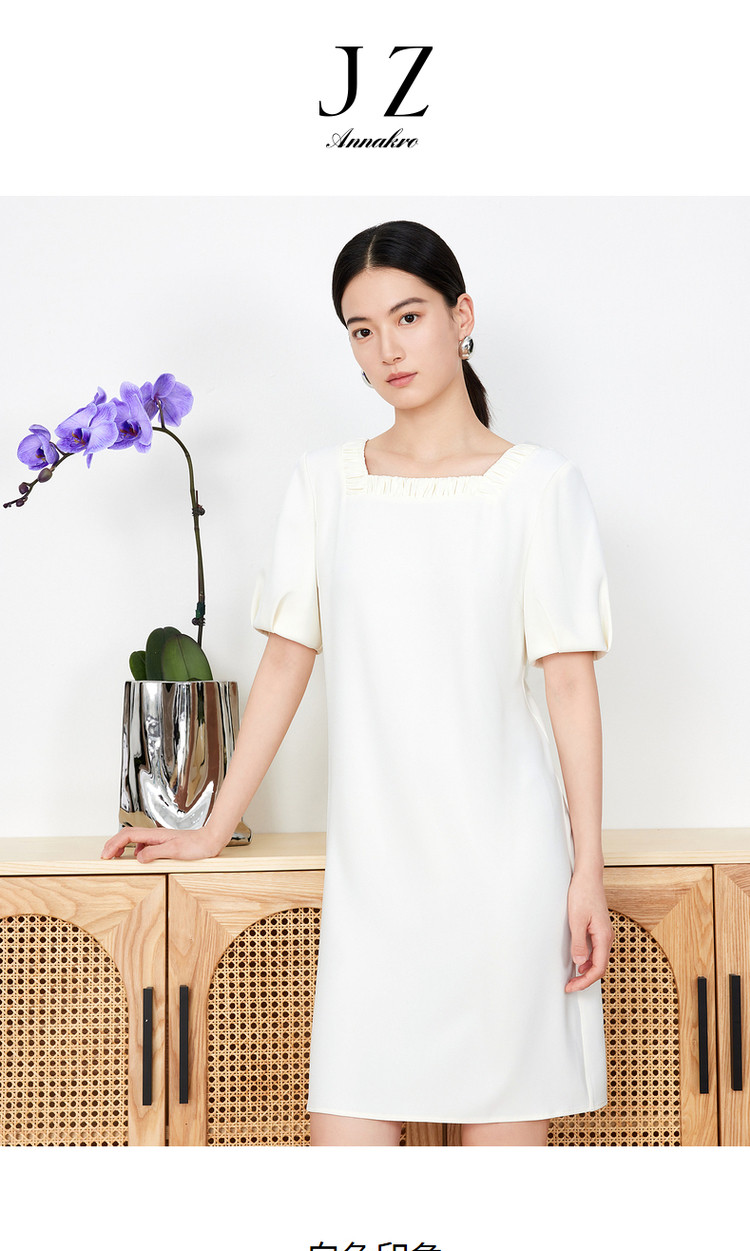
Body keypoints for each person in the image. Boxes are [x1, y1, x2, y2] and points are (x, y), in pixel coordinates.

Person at [101, 219, 614, 1149]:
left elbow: (571, 690)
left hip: (506, 874)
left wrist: (587, 871)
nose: (387, 349)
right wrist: (209, 828)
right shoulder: (325, 486)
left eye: (408, 316)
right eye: (362, 329)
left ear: (462, 317)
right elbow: (284, 667)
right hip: (373, 881)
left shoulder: (540, 488)